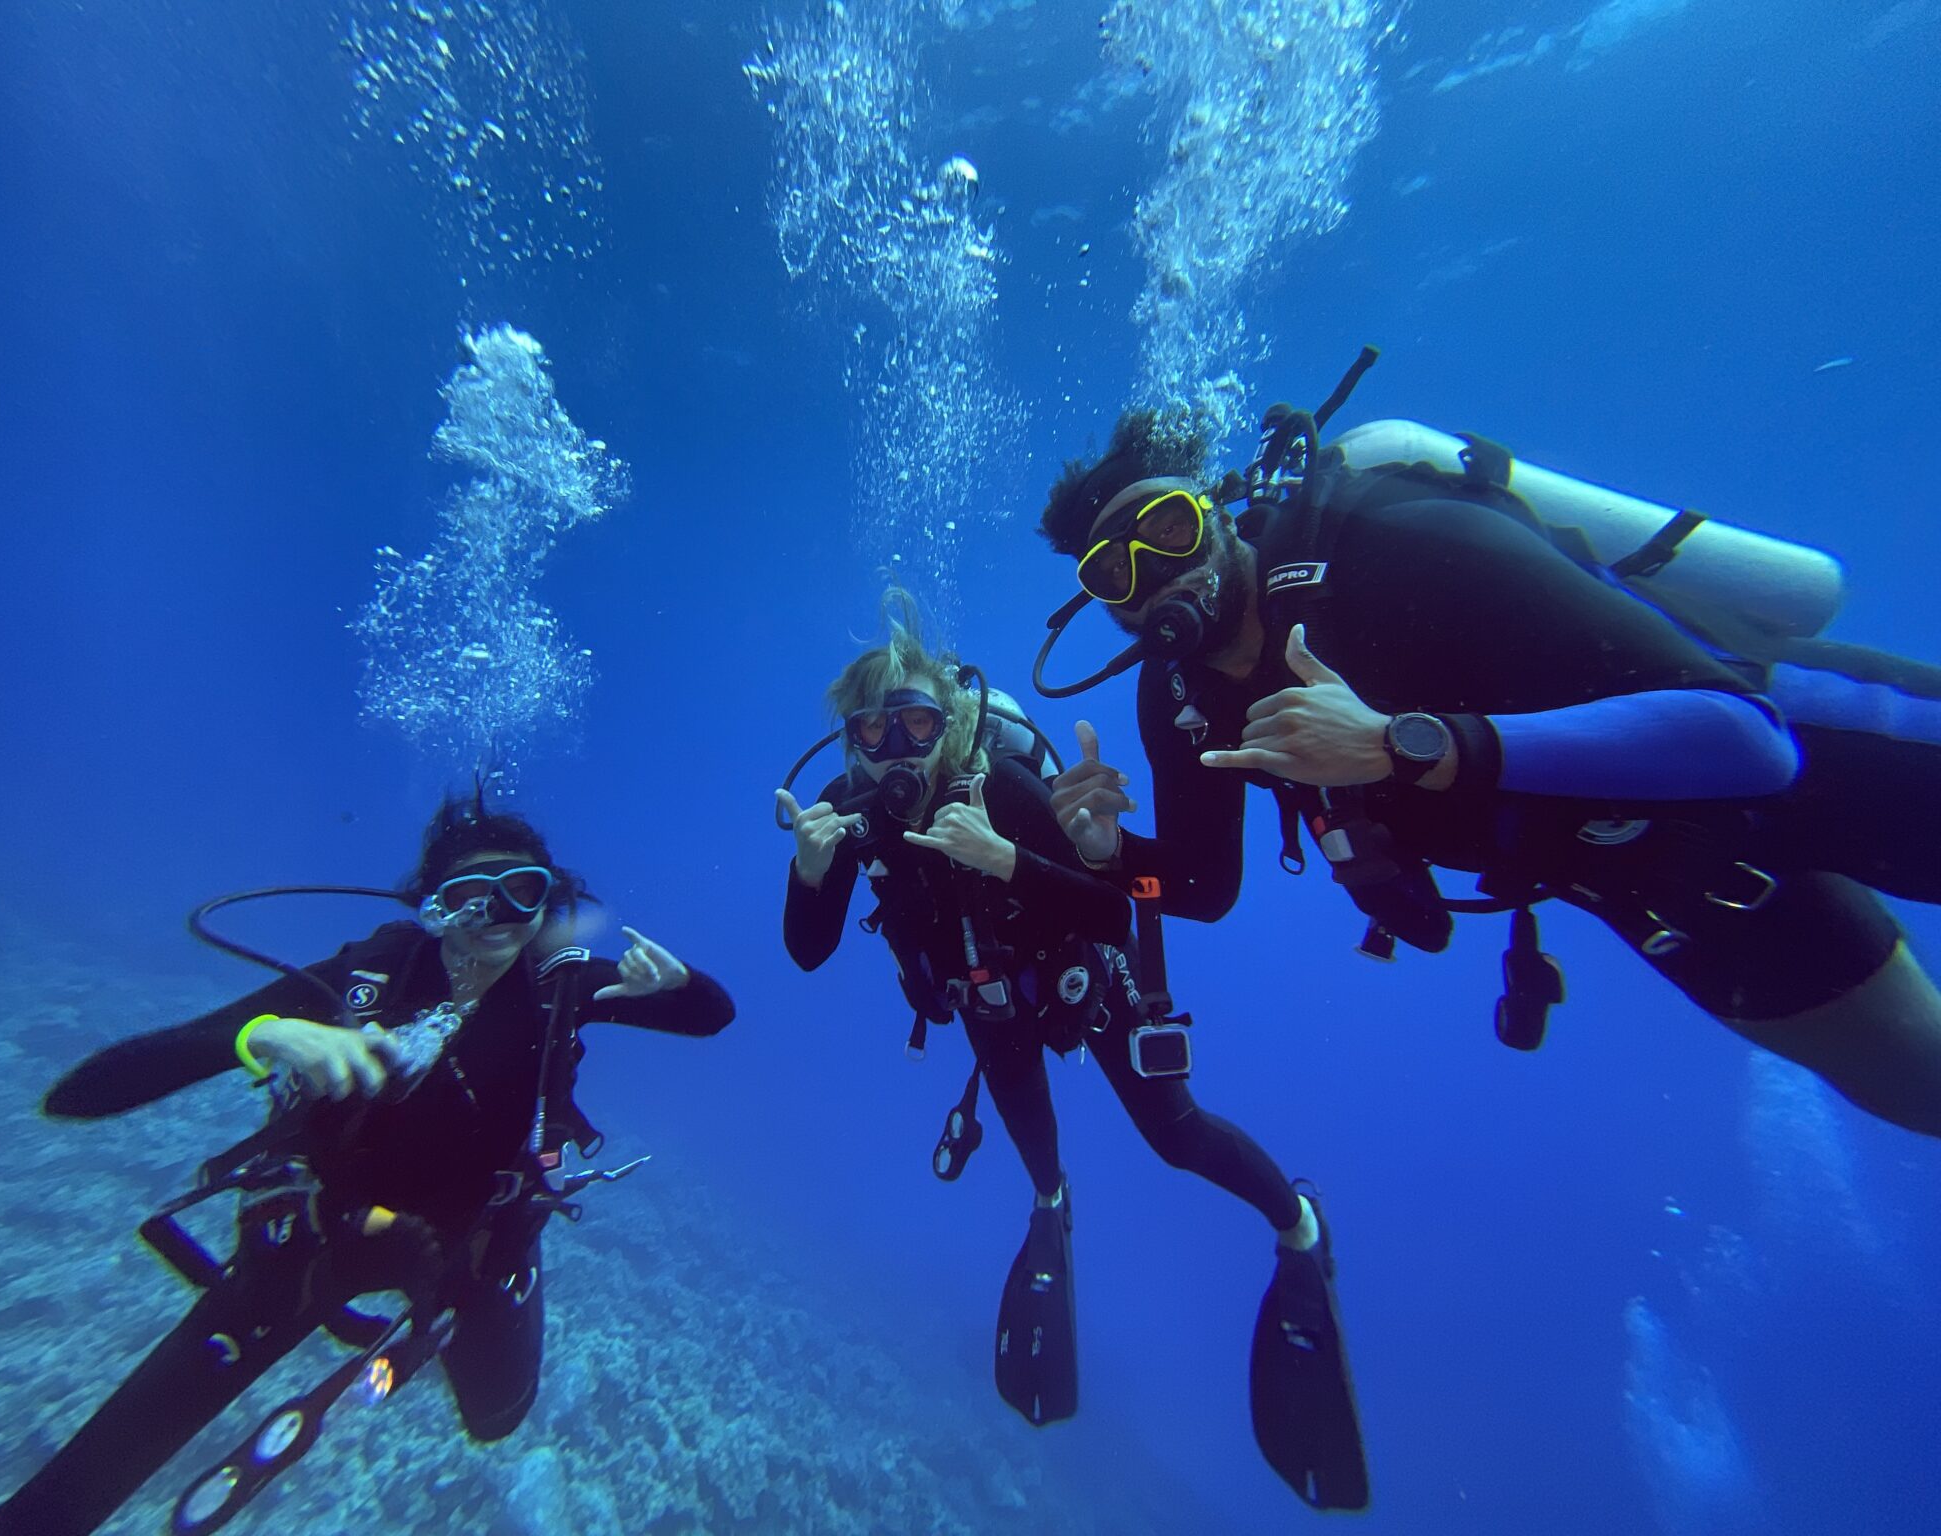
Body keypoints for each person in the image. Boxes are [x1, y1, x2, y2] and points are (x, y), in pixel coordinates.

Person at [1034, 396, 1941, 1137]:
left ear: (1216, 513)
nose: (1155, 575)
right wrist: (1113, 854)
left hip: (1837, 750)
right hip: (1670, 884)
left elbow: (1748, 740)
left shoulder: (1400, 543)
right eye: (1115, 572)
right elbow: (1198, 885)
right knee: (1922, 1089)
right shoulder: (1180, 698)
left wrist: (1404, 744)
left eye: (1169, 529)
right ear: (1105, 607)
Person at [0, 789, 735, 1536]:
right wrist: (262, 1035)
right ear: (434, 904)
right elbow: (85, 1092)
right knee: (64, 1500)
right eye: (471, 894)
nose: (496, 918)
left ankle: (442, 1325)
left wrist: (680, 986)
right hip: (319, 1237)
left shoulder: (563, 983)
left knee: (498, 1418)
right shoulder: (368, 975)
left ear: (547, 903)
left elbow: (710, 1016)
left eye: (523, 891)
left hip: (477, 1243)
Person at [774, 593, 1368, 1510]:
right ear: (853, 742)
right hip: (986, 1003)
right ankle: (1053, 1211)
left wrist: (1001, 856)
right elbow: (807, 950)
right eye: (874, 731)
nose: (897, 750)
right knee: (1042, 1171)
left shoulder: (1005, 790)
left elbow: (1109, 911)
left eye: (918, 723)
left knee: (1176, 1135)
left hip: (1079, 972)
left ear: (954, 720)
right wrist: (812, 872)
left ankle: (1299, 1225)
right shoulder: (850, 814)